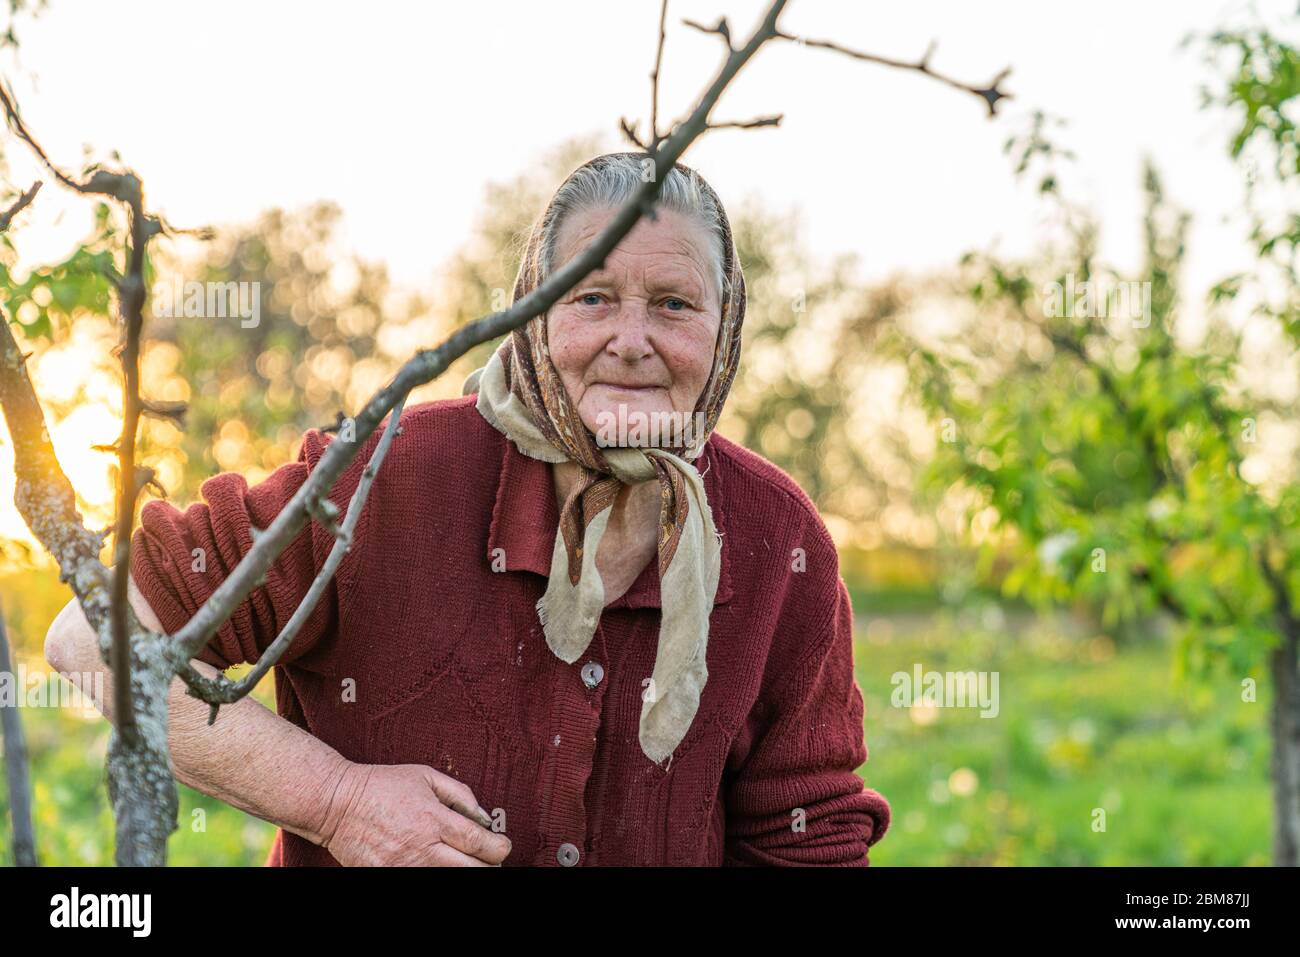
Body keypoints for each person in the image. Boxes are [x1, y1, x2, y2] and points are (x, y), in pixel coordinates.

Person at [45, 151, 891, 866]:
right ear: (531, 309)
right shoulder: (384, 476)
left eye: (673, 304)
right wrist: (338, 801)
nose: (631, 340)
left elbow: (805, 835)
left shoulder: (782, 542)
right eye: (591, 297)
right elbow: (92, 634)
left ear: (725, 326)